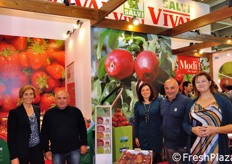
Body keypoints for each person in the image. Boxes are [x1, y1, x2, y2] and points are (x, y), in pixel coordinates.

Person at [183, 72, 232, 163]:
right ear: (195, 85)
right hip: (195, 151)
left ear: (210, 83)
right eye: (197, 82)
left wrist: (216, 130)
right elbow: (185, 124)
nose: (200, 84)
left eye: (203, 81)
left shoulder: (223, 102)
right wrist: (192, 129)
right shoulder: (191, 104)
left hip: (217, 150)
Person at [41, 90, 87, 164]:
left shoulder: (76, 112)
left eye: (64, 98)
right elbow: (44, 133)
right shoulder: (49, 114)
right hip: (56, 151)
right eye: (59, 98)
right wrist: (46, 150)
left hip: (74, 149)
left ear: (68, 99)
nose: (62, 100)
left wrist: (84, 144)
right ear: (55, 100)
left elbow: (82, 129)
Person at [7, 85, 45, 164]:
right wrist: (13, 157)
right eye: (26, 94)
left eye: (31, 94)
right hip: (22, 150)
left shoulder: (37, 109)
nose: (29, 96)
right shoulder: (14, 112)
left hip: (37, 148)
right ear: (22, 96)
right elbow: (11, 136)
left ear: (34, 96)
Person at [160, 78, 191, 164]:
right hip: (168, 145)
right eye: (167, 88)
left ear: (177, 88)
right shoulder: (163, 103)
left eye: (172, 88)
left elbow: (191, 122)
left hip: (181, 146)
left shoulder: (186, 101)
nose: (169, 91)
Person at [134, 83, 163, 164]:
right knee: (145, 158)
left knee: (155, 157)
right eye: (143, 90)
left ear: (151, 91)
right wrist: (136, 136)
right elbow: (137, 121)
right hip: (143, 135)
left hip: (156, 134)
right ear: (140, 92)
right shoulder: (138, 104)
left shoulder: (158, 101)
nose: (145, 92)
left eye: (147, 89)